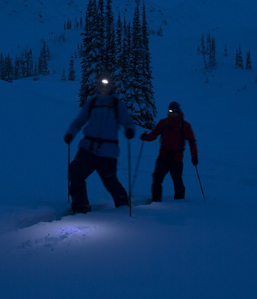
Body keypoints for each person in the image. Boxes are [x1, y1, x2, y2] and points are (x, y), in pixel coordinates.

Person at [63, 72, 136, 213]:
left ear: (110, 87)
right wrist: (70, 133)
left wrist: (129, 129)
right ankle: (80, 207)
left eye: (106, 85)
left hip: (107, 151)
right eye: (101, 85)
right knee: (75, 173)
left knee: (110, 181)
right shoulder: (92, 103)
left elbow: (127, 121)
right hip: (88, 148)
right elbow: (79, 121)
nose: (103, 88)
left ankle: (123, 206)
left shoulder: (116, 104)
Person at [139, 101, 198, 201]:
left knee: (177, 181)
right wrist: (146, 137)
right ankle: (156, 201)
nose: (172, 113)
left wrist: (194, 156)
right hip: (163, 157)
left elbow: (192, 142)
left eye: (174, 111)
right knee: (157, 179)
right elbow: (154, 134)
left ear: (178, 111)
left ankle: (180, 201)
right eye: (170, 111)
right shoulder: (164, 123)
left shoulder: (184, 125)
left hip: (176, 159)